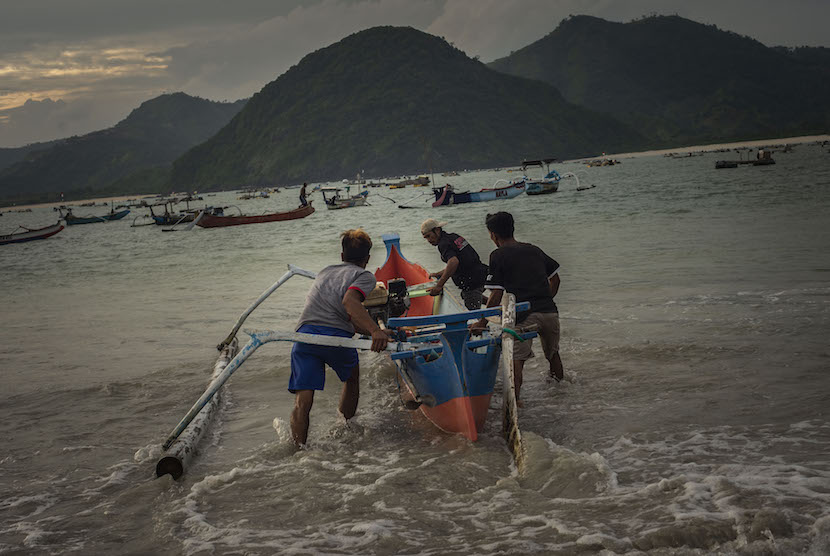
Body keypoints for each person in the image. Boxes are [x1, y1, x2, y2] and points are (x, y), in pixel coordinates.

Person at [289, 229, 391, 447]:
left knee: (303, 400)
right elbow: (350, 303)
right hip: (335, 337)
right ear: (367, 259)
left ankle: (299, 451)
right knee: (351, 378)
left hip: (305, 335)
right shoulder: (364, 276)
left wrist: (374, 331)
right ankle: (345, 427)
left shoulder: (325, 272)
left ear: (342, 256)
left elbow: (340, 316)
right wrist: (375, 330)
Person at [470, 211, 564, 404]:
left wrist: (481, 322)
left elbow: (496, 294)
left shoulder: (497, 255)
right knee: (553, 354)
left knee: (516, 360)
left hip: (524, 317)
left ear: (493, 234)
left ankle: (514, 402)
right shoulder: (534, 249)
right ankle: (560, 391)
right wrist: (545, 297)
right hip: (549, 312)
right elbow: (555, 278)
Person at [420, 218, 489, 310]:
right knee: (467, 295)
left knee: (472, 306)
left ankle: (484, 322)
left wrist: (439, 285)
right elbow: (463, 262)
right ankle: (497, 305)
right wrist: (439, 273)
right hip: (483, 273)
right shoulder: (453, 236)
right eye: (426, 238)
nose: (428, 240)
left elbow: (453, 262)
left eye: (429, 236)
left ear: (437, 230)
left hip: (472, 280)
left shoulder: (443, 244)